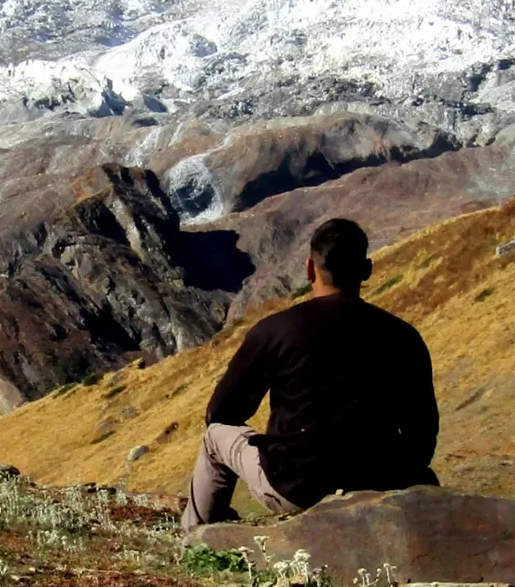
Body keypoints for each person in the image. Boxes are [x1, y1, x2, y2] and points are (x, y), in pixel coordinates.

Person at [181, 217, 438, 530]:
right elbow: (422, 434)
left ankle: (197, 539)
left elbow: (221, 412)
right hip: (381, 486)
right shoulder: (403, 336)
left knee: (214, 437)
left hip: (296, 488)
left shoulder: (276, 330)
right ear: (367, 270)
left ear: (309, 268)